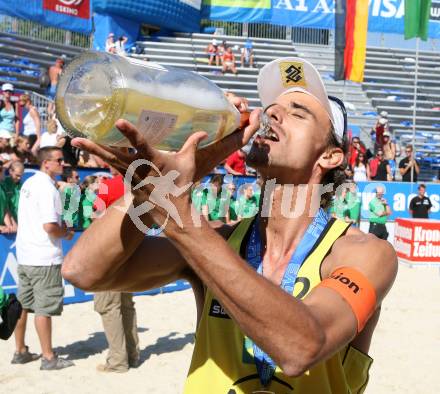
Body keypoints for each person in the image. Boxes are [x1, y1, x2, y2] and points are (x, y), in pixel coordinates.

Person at [64, 57, 397, 393]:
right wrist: (158, 192)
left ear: (329, 156)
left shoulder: (365, 254)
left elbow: (302, 346)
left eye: (297, 113)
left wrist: (178, 216)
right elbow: (84, 271)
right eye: (271, 107)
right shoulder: (220, 242)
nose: (272, 114)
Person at [13, 146, 74, 370]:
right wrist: (66, 234)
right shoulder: (47, 188)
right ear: (46, 163)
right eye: (59, 160)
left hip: (26, 254)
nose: (63, 163)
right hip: (43, 256)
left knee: (23, 306)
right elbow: (49, 226)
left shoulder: (28, 183)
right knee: (43, 309)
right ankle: (48, 357)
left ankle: (20, 351)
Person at [93, 167, 140, 373]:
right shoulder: (139, 184)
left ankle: (118, 361)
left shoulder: (109, 185)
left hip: (109, 252)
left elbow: (97, 215)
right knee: (126, 305)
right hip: (132, 251)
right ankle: (133, 354)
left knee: (108, 307)